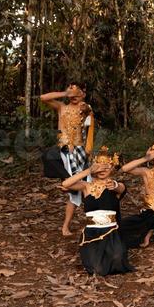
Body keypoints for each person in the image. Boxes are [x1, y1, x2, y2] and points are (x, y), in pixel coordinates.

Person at [61, 147, 133, 276]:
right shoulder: (86, 186)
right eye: (99, 167)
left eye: (106, 167)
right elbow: (66, 183)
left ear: (112, 168)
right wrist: (88, 171)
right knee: (97, 270)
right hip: (92, 232)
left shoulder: (115, 185)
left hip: (111, 231)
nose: (102, 170)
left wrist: (115, 185)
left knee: (117, 261)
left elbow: (120, 188)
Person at [40, 84, 95, 237]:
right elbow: (43, 98)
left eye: (76, 91)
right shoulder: (61, 107)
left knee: (83, 190)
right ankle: (67, 182)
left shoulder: (85, 108)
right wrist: (65, 92)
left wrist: (84, 106)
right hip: (64, 151)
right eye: (70, 91)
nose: (73, 94)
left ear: (83, 94)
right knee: (79, 188)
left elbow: (87, 112)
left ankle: (93, 222)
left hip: (80, 153)